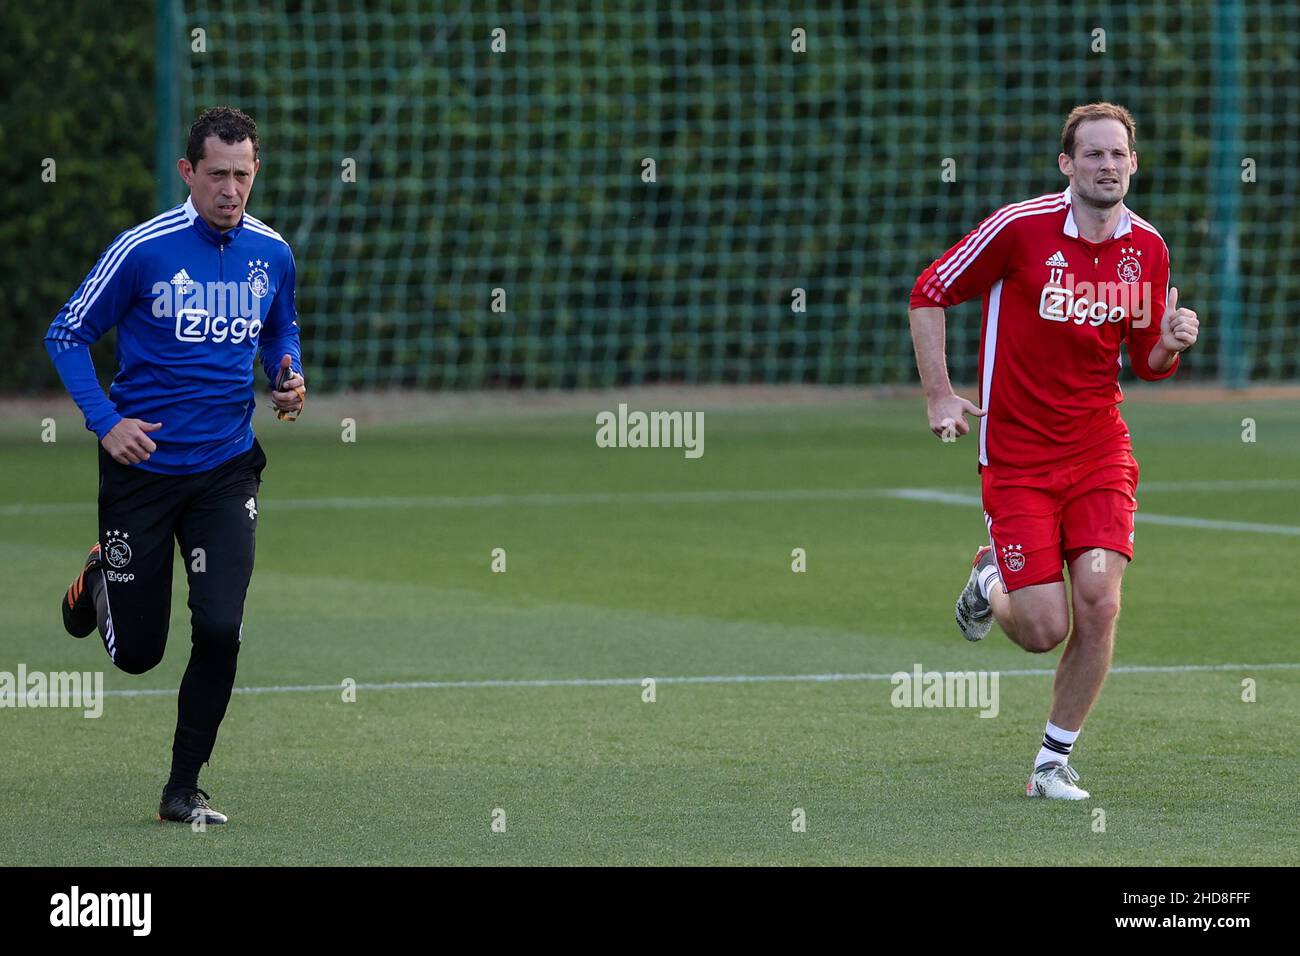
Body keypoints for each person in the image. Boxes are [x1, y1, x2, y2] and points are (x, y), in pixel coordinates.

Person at [907, 102, 1200, 799]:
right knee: (1042, 628)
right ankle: (990, 578)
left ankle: (1050, 764)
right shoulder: (1020, 229)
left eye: (1118, 154)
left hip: (1099, 449)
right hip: (1016, 456)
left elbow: (1144, 357)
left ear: (1134, 163)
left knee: (1099, 601)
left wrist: (1169, 343)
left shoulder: (1147, 248)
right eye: (1092, 154)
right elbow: (929, 291)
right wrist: (939, 394)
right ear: (1067, 165)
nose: (1107, 165)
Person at [46, 106, 306, 824]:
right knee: (136, 655)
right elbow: (67, 333)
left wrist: (288, 375)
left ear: (256, 173)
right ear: (188, 173)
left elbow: (279, 323)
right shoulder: (143, 250)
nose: (231, 190)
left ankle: (182, 789)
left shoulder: (271, 253)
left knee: (221, 628)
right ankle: (100, 576)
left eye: (243, 176)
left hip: (226, 471)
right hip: (143, 471)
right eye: (217, 175)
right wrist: (106, 423)